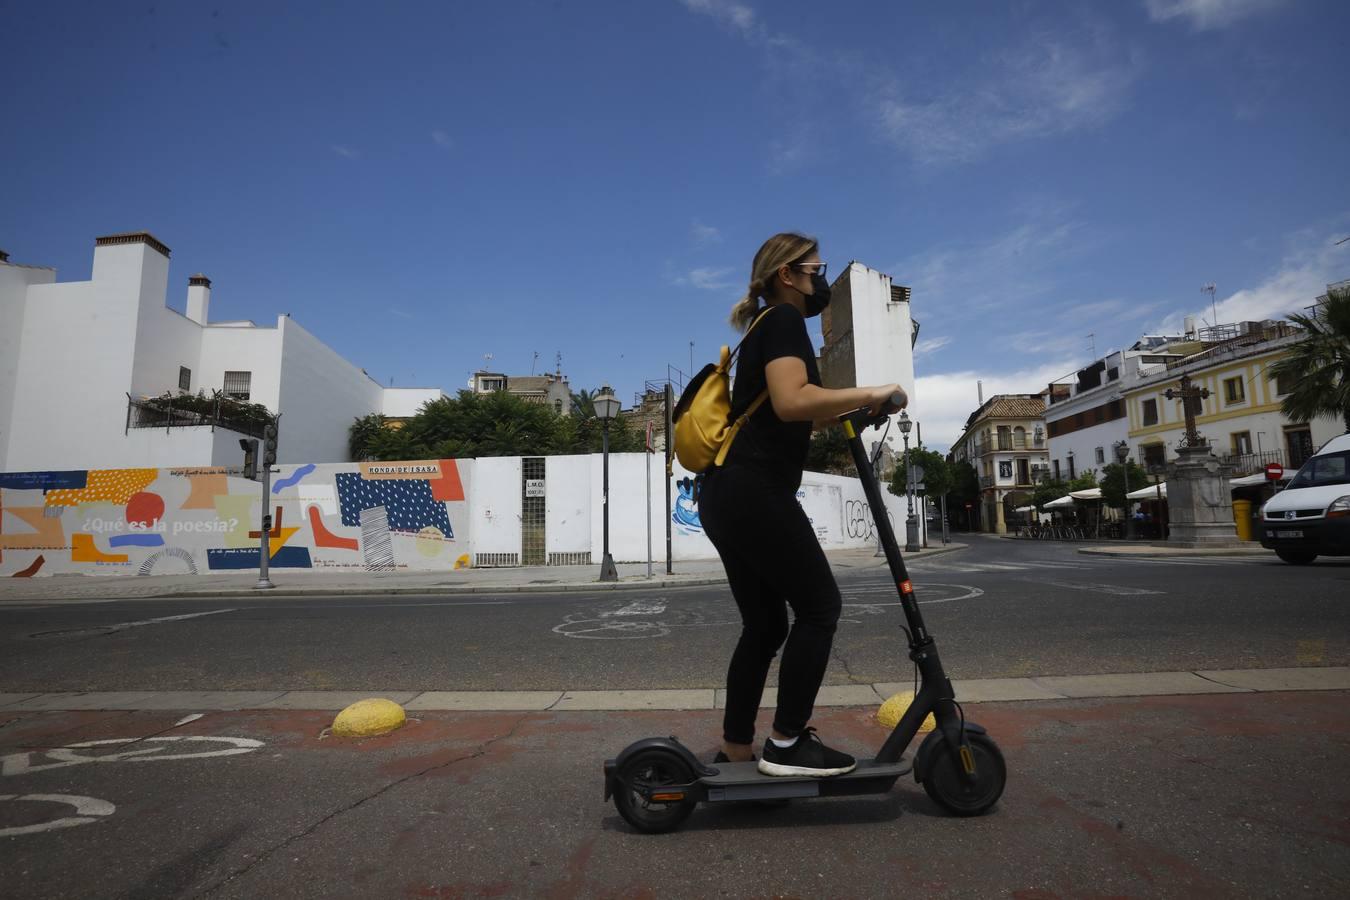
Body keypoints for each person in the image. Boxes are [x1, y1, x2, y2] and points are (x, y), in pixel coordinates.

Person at [698, 233, 907, 777]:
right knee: (820, 608)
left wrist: (853, 414)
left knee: (766, 627)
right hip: (754, 490)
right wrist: (868, 391)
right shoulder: (785, 321)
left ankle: (737, 747)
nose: (821, 281)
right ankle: (787, 745)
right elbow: (793, 401)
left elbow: (793, 412)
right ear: (787, 276)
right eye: (817, 271)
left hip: (727, 492)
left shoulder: (765, 328)